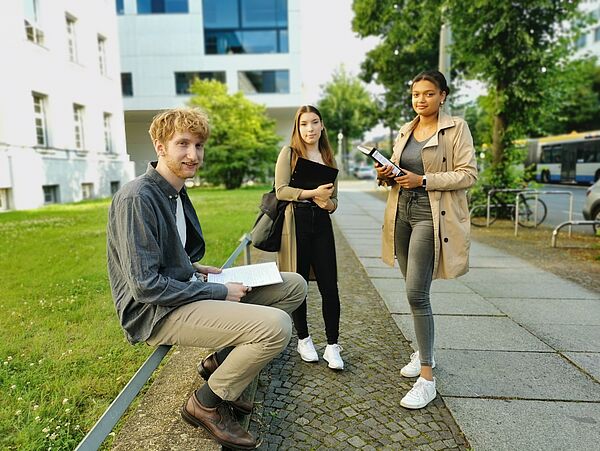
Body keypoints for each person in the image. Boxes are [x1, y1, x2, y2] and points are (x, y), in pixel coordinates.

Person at [106, 107, 307, 449]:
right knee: (275, 327)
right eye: (182, 144)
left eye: (198, 146)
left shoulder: (174, 190)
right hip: (156, 311)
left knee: (293, 286)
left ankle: (219, 362)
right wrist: (216, 290)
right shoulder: (138, 197)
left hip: (181, 289)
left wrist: (193, 269)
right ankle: (206, 402)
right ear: (159, 146)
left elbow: (165, 252)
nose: (192, 154)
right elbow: (144, 285)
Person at [376, 70, 477, 409]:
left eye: (429, 93)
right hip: (401, 215)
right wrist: (386, 174)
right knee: (411, 285)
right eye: (416, 94)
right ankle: (424, 348)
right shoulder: (406, 129)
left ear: (443, 95)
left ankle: (427, 377)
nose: (421, 99)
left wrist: (423, 180)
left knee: (416, 294)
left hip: (430, 218)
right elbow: (399, 173)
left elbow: (468, 174)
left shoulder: (456, 128)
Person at [274, 105, 344, 370]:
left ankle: (332, 346)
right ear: (297, 127)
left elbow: (335, 199)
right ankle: (303, 339)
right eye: (304, 124)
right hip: (295, 223)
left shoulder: (328, 155)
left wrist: (328, 204)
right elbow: (281, 190)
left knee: (330, 286)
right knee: (297, 283)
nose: (310, 129)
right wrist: (311, 193)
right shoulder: (289, 153)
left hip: (322, 223)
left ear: (322, 125)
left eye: (315, 123)